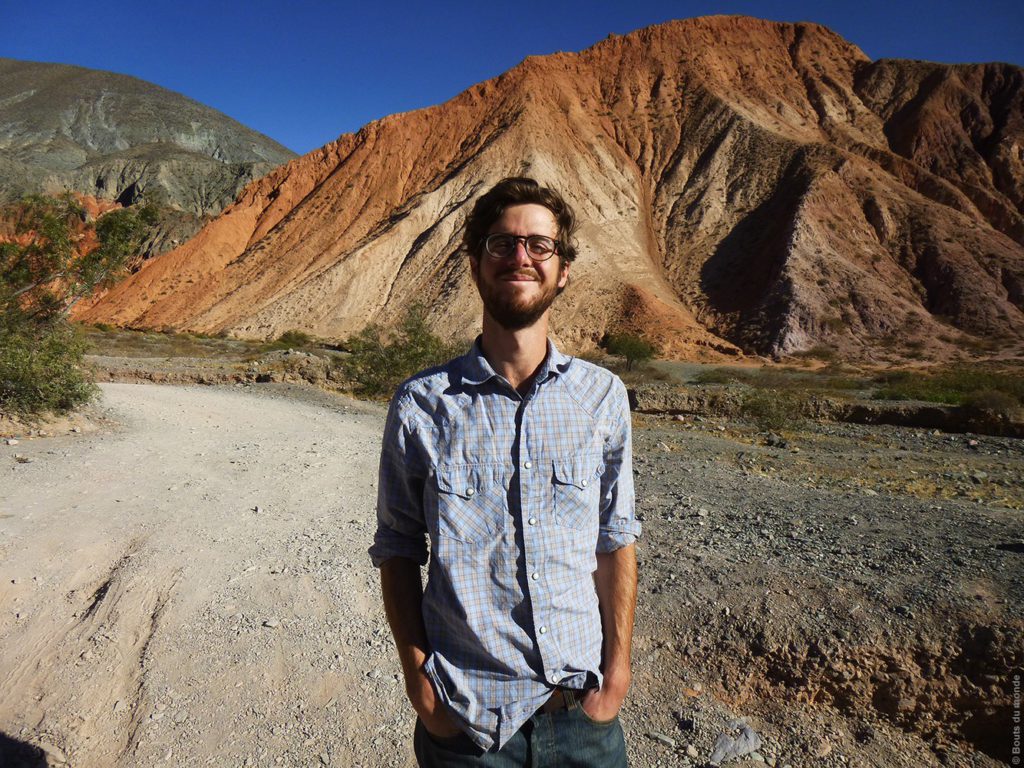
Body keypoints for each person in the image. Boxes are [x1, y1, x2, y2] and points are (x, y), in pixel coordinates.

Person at [369, 177, 640, 766]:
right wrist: (421, 684)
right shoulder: (422, 404)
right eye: (502, 243)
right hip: (466, 726)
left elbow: (614, 539)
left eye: (539, 246)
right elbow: (397, 546)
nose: (521, 257)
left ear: (562, 269)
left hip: (583, 720)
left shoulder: (602, 397)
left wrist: (616, 675)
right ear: (476, 263)